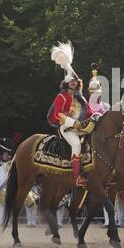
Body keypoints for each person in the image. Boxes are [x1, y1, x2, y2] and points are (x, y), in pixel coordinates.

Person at [48, 41, 93, 186]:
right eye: (71, 82)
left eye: (75, 81)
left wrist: (98, 117)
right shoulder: (61, 96)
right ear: (67, 83)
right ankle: (77, 176)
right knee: (76, 145)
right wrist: (73, 123)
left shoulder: (81, 98)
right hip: (66, 127)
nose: (73, 83)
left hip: (81, 127)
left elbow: (89, 112)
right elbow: (57, 114)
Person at [0, 138, 14, 224]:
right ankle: (1, 221)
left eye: (6, 154)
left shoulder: (10, 164)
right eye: (3, 154)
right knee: (0, 206)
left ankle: (8, 221)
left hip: (7, 187)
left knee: (7, 206)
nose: (4, 156)